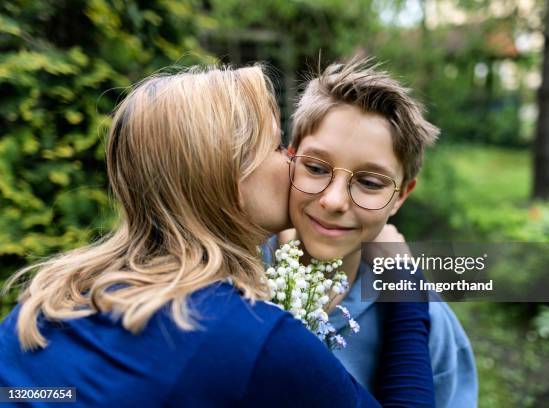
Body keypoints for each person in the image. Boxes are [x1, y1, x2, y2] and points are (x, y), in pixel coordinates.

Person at [0, 65, 381, 407]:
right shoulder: (255, 340)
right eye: (278, 146)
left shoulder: (49, 300)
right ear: (229, 177)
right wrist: (404, 279)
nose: (291, 161)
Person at [267, 58, 478, 407]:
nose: (333, 201)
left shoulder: (431, 326)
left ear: (400, 196)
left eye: (369, 182)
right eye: (316, 168)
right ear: (291, 158)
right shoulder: (232, 275)